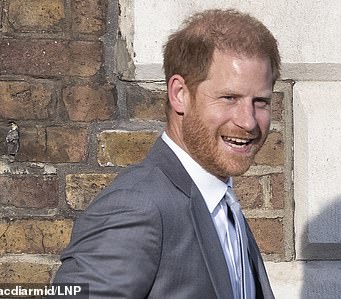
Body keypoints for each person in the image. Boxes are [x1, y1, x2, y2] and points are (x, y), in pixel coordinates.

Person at [52, 8, 280, 299]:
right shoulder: (138, 206)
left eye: (260, 102)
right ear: (179, 94)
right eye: (229, 98)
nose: (247, 121)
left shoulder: (222, 203)